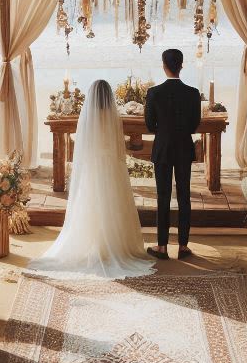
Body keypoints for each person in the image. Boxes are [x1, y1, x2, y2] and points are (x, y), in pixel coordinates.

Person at [29, 79, 154, 280]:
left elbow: (82, 149)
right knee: (113, 204)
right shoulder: (114, 117)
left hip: (92, 166)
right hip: (112, 166)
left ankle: (92, 242)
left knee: (90, 204)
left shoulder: (88, 118)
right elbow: (118, 148)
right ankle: (116, 245)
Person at [144, 48, 202, 260]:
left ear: (164, 65)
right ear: (181, 65)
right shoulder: (193, 93)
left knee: (163, 197)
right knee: (184, 197)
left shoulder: (154, 93)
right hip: (184, 148)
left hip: (163, 148)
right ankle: (184, 247)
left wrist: (164, 129)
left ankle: (162, 247)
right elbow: (195, 124)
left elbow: (150, 125)